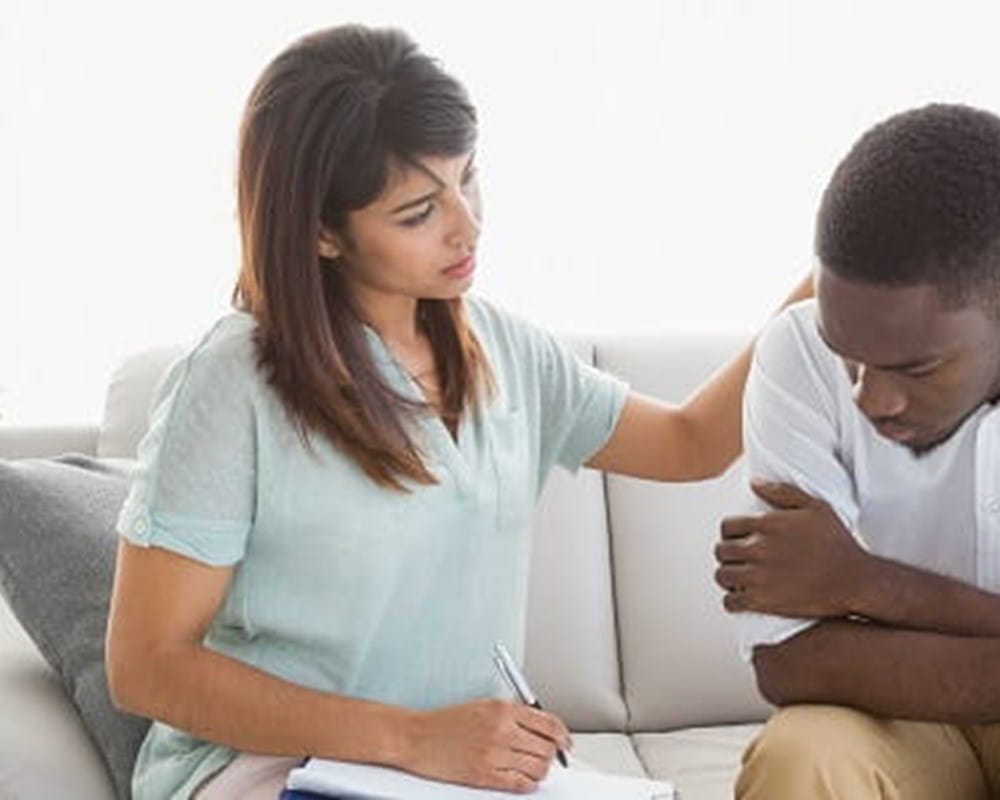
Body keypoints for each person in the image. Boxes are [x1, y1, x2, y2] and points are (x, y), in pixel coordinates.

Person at [105, 24, 810, 800]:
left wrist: (832, 279)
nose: (467, 226)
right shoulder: (230, 384)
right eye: (417, 213)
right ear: (321, 232)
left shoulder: (504, 353)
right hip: (277, 770)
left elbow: (690, 443)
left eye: (468, 180)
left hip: (459, 777)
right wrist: (411, 738)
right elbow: (146, 666)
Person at [713, 102, 1000, 798]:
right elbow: (790, 663)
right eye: (852, 359)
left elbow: (835, 615)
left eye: (916, 369)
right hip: (896, 724)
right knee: (804, 757)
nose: (871, 400)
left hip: (905, 676)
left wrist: (865, 583)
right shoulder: (798, 353)